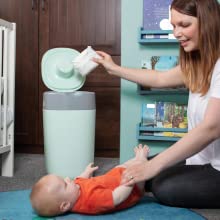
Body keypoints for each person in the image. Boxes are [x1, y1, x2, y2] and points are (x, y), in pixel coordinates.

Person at [93, 0, 220, 208]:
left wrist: (153, 167)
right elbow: (159, 78)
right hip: (202, 157)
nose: (176, 33)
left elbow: (211, 128)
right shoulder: (200, 62)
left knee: (163, 187)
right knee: (140, 172)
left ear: (209, 23)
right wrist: (113, 68)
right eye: (173, 26)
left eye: (184, 25)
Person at [30, 145, 149, 217]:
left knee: (121, 167)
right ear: (65, 205)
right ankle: (142, 158)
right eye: (65, 184)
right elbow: (117, 197)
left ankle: (136, 160)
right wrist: (128, 183)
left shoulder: (73, 192)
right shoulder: (91, 201)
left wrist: (86, 172)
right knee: (139, 168)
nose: (67, 179)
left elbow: (80, 180)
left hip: (114, 176)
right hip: (132, 189)